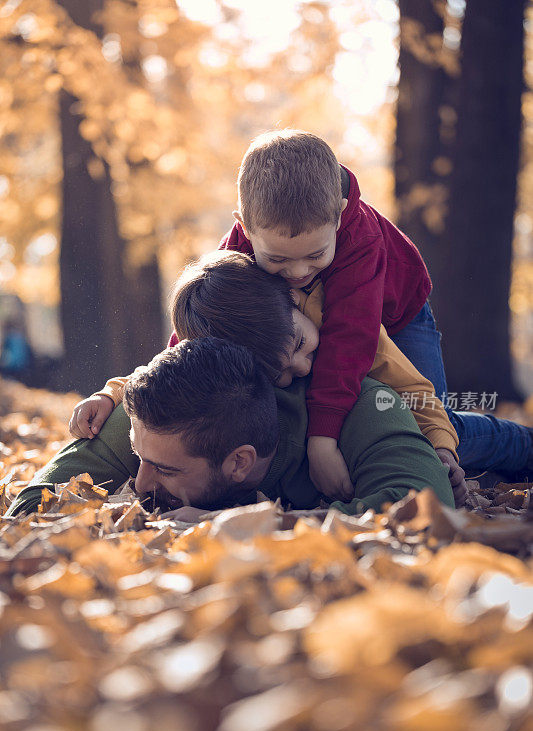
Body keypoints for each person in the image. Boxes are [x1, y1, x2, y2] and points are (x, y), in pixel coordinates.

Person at [67, 130, 533, 500]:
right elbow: (192, 344)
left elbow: (350, 345)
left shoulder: (359, 243)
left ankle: (514, 446)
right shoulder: (241, 255)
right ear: (246, 227)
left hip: (395, 317)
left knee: (426, 416)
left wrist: (323, 440)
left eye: (314, 256)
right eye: (278, 261)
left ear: (339, 216)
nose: (296, 272)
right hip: (306, 322)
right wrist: (117, 391)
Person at [70, 252, 467, 506]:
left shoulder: (345, 327)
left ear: (293, 298)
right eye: (278, 371)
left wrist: (443, 450)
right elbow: (170, 369)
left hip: (406, 331)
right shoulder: (224, 315)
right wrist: (113, 393)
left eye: (297, 344)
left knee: (458, 427)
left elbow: (415, 394)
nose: (304, 368)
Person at [8, 337, 454, 519]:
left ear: (239, 461)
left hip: (423, 407)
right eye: (140, 459)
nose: (140, 483)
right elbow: (31, 504)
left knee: (478, 437)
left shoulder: (365, 409)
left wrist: (236, 525)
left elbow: (421, 506)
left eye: (165, 470)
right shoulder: (152, 421)